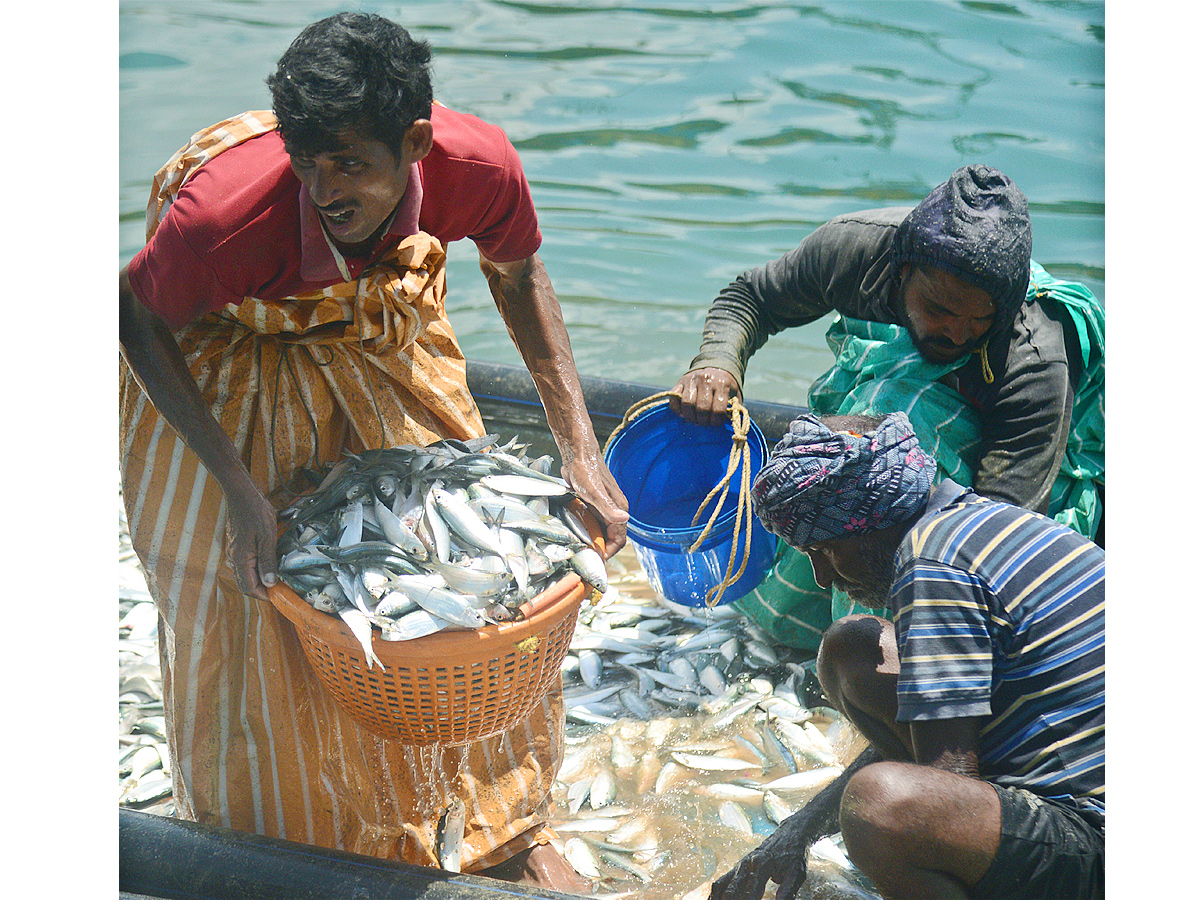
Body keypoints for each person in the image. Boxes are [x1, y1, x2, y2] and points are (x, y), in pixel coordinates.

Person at [118, 12, 627, 891]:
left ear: (417, 143)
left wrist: (581, 447)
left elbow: (517, 275)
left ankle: (496, 827)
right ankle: (273, 836)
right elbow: (136, 319)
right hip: (224, 352)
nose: (323, 188)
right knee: (253, 603)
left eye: (350, 162)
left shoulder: (478, 166)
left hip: (375, 329)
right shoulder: (224, 216)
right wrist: (239, 489)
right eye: (306, 161)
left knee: (472, 588)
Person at [670, 164, 1103, 651]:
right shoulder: (857, 251)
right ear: (902, 273)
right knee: (851, 446)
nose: (956, 333)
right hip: (885, 397)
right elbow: (751, 297)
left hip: (1023, 468)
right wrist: (717, 365)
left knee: (892, 436)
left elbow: (1001, 523)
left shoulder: (1035, 356)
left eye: (976, 320)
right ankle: (810, 622)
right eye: (938, 309)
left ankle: (873, 643)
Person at [708, 412, 1104, 900]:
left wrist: (867, 824)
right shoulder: (971, 519)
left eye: (826, 551)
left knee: (880, 806)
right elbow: (937, 744)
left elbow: (940, 792)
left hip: (1096, 837)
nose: (822, 579)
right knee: (851, 650)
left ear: (871, 526)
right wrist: (795, 833)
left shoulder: (931, 568)